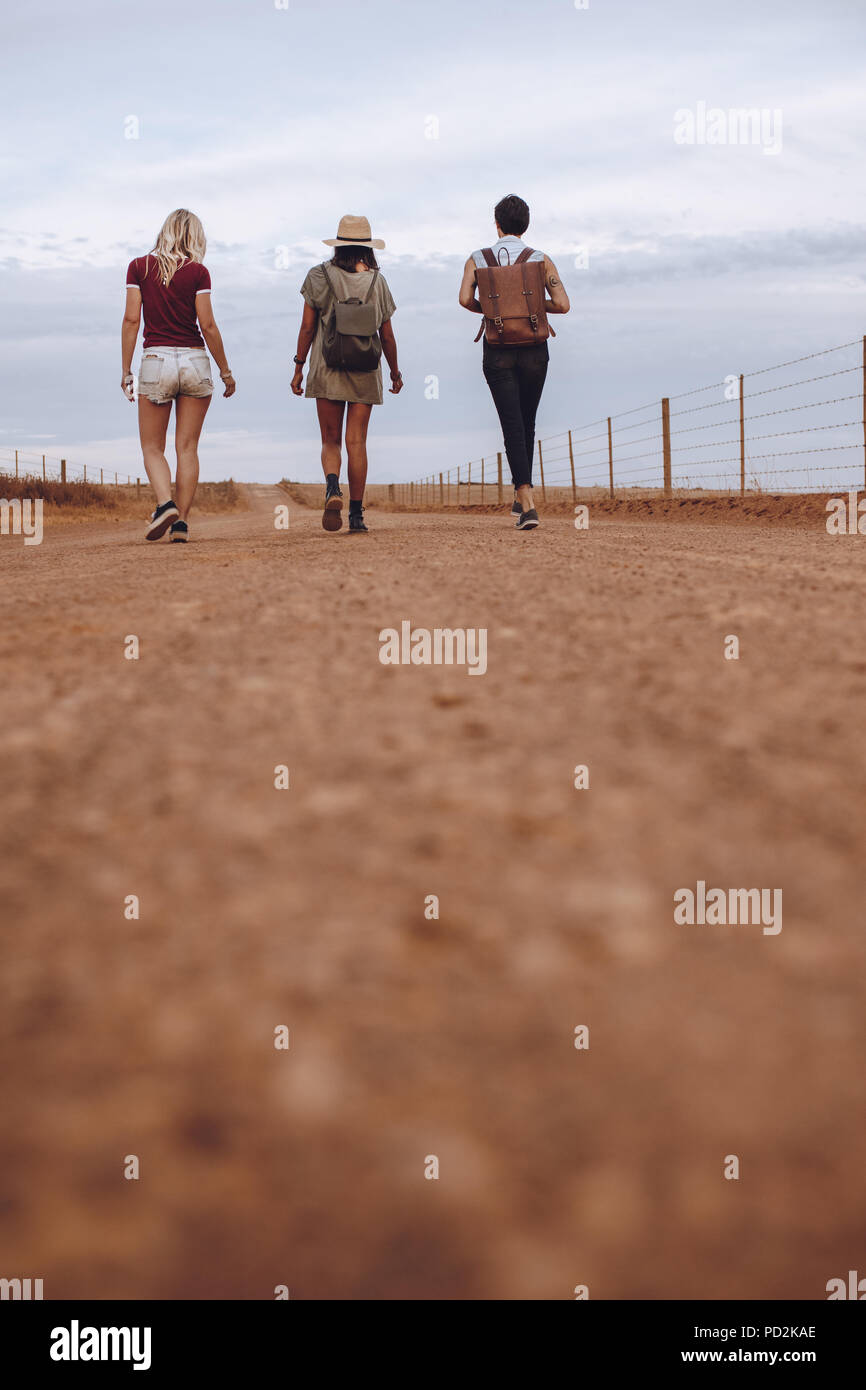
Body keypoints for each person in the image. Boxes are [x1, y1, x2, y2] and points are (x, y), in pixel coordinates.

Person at [122, 208, 236, 542]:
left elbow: (131, 321)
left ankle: (164, 504)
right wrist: (226, 372)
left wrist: (126, 370)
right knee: (187, 447)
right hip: (195, 362)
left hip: (156, 359)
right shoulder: (199, 272)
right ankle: (181, 524)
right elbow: (208, 325)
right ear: (194, 236)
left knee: (152, 447)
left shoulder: (139, 267)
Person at [459, 195, 570, 529]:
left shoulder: (477, 259)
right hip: (535, 349)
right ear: (526, 225)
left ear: (497, 224)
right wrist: (533, 307)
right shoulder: (541, 259)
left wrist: (494, 310)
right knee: (528, 422)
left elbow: (465, 298)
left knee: (511, 425)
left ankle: (527, 502)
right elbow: (563, 304)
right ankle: (523, 499)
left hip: (498, 350)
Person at [291, 214, 402, 533]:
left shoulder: (317, 276)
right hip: (366, 370)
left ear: (338, 245)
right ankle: (356, 515)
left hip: (326, 368)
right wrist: (395, 372)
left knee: (330, 441)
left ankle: (331, 488)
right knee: (357, 442)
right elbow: (388, 335)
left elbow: (307, 327)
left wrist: (298, 368)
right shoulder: (378, 282)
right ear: (368, 247)